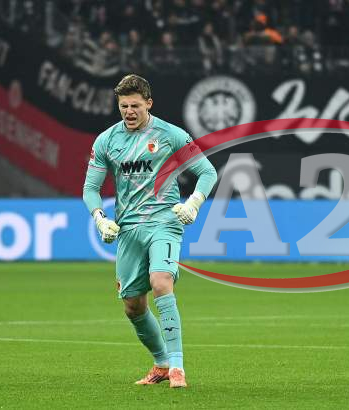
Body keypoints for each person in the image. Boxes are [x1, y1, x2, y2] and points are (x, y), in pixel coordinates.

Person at [82, 74, 218, 388]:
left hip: (164, 222)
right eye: (124, 106)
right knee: (133, 305)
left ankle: (178, 368)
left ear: (149, 104)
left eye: (135, 106)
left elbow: (207, 172)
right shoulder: (106, 141)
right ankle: (161, 363)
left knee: (161, 281)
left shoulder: (171, 134)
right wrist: (100, 218)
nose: (129, 112)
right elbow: (90, 188)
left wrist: (194, 203)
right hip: (129, 228)